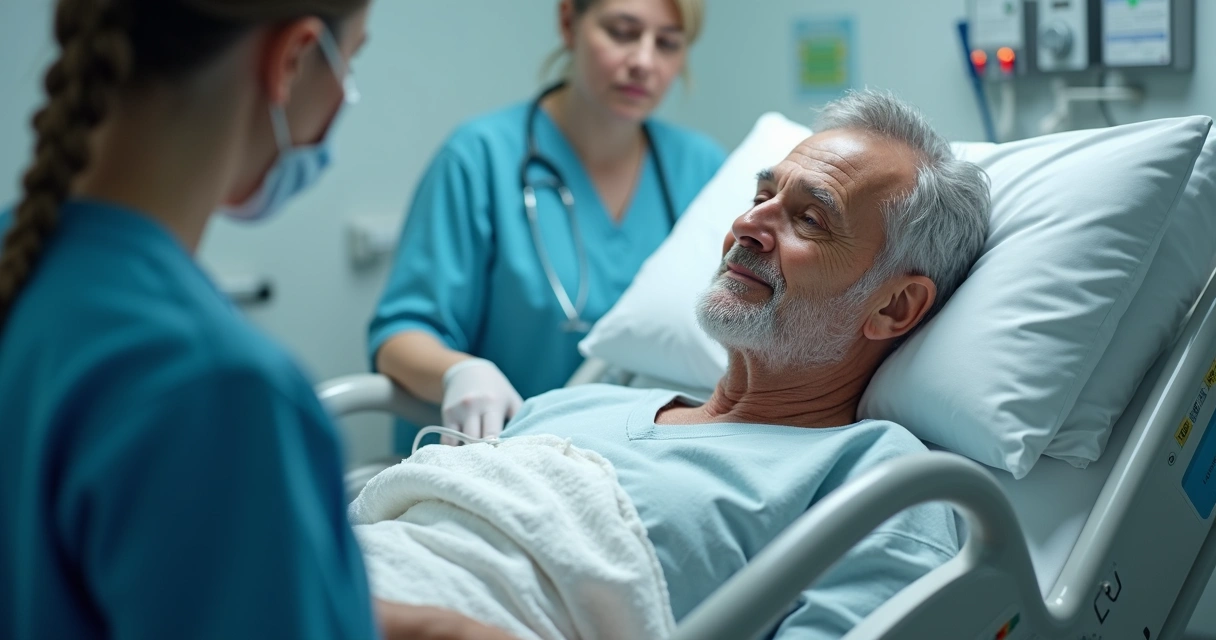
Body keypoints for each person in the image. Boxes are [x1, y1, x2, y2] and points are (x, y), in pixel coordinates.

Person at [354, 90, 993, 637]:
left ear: (894, 306)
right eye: (762, 195)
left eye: (809, 218)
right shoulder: (573, 403)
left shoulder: (876, 481)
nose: (748, 224)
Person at [0, 2, 513, 639]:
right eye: (350, 62)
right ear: (292, 59)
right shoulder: (216, 387)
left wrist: (419, 626)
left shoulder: (31, 269)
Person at [369, 0, 727, 451]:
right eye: (622, 32)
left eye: (668, 44)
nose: (643, 61)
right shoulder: (480, 157)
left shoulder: (701, 168)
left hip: (646, 462)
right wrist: (458, 372)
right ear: (568, 22)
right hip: (497, 459)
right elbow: (399, 336)